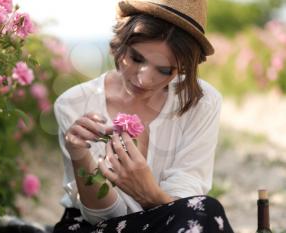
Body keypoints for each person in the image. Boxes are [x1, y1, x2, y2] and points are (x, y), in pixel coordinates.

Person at [51, 0, 235, 232]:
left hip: (171, 219)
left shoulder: (203, 102)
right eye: (137, 58)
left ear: (184, 68)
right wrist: (79, 155)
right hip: (93, 226)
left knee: (206, 210)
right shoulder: (73, 103)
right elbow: (102, 216)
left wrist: (146, 190)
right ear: (119, 44)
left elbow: (187, 198)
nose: (144, 79)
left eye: (165, 70)